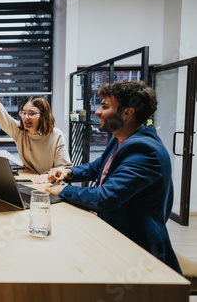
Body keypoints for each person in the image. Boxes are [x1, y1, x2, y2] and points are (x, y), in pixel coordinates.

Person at [46, 80, 181, 274]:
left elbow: (105, 198)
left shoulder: (144, 151)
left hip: (136, 249)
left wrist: (64, 189)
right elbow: (98, 167)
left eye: (105, 106)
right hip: (110, 231)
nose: (97, 111)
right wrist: (69, 172)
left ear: (127, 113)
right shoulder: (121, 139)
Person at [0, 80, 71, 174]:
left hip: (50, 183)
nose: (26, 117)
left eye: (32, 113)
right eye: (24, 112)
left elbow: (63, 167)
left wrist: (49, 176)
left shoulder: (56, 134)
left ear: (43, 116)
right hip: (30, 178)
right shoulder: (19, 131)